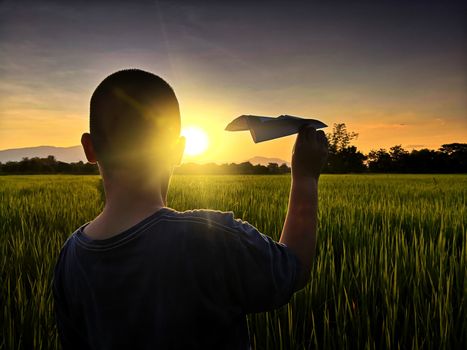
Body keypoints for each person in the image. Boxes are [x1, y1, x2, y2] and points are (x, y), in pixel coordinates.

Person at [52, 69, 328, 349]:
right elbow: (294, 269)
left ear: (89, 148)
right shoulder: (211, 237)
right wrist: (305, 178)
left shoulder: (70, 257)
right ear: (178, 149)